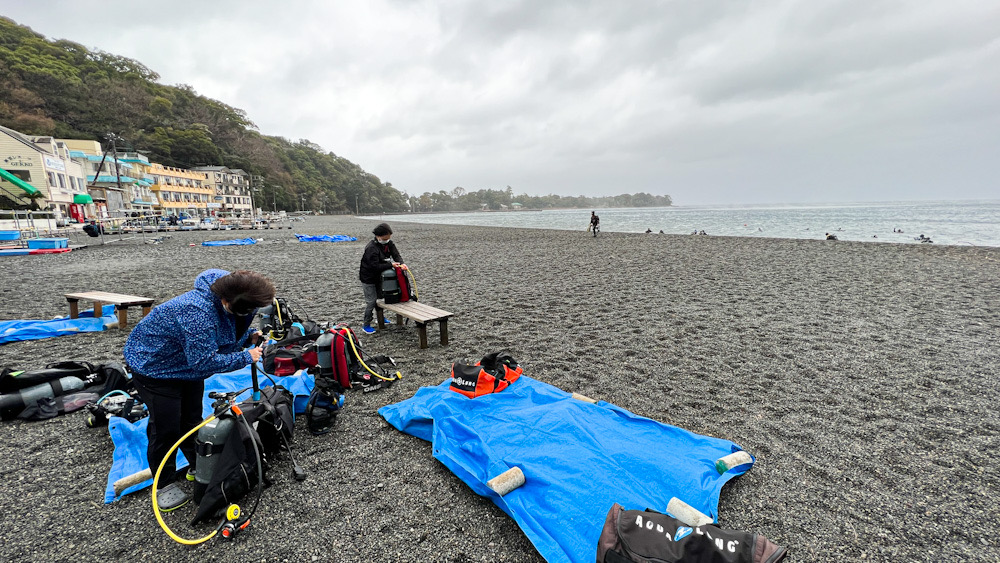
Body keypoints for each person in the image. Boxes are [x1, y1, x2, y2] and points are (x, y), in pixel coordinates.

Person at [122, 269, 275, 512]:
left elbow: (224, 330)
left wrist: (248, 336)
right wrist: (246, 356)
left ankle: (198, 465)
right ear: (226, 301)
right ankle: (164, 484)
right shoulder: (195, 311)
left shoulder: (231, 295)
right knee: (166, 430)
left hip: (185, 368)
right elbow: (203, 361)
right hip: (154, 368)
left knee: (192, 419)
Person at [359, 223, 404, 334]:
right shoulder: (371, 248)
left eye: (388, 238)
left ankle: (380, 318)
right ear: (378, 236)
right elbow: (374, 266)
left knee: (380, 298)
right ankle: (366, 324)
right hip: (368, 277)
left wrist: (402, 264)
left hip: (381, 276)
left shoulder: (389, 244)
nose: (386, 240)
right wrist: (391, 265)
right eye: (384, 238)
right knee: (371, 301)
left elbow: (396, 255)